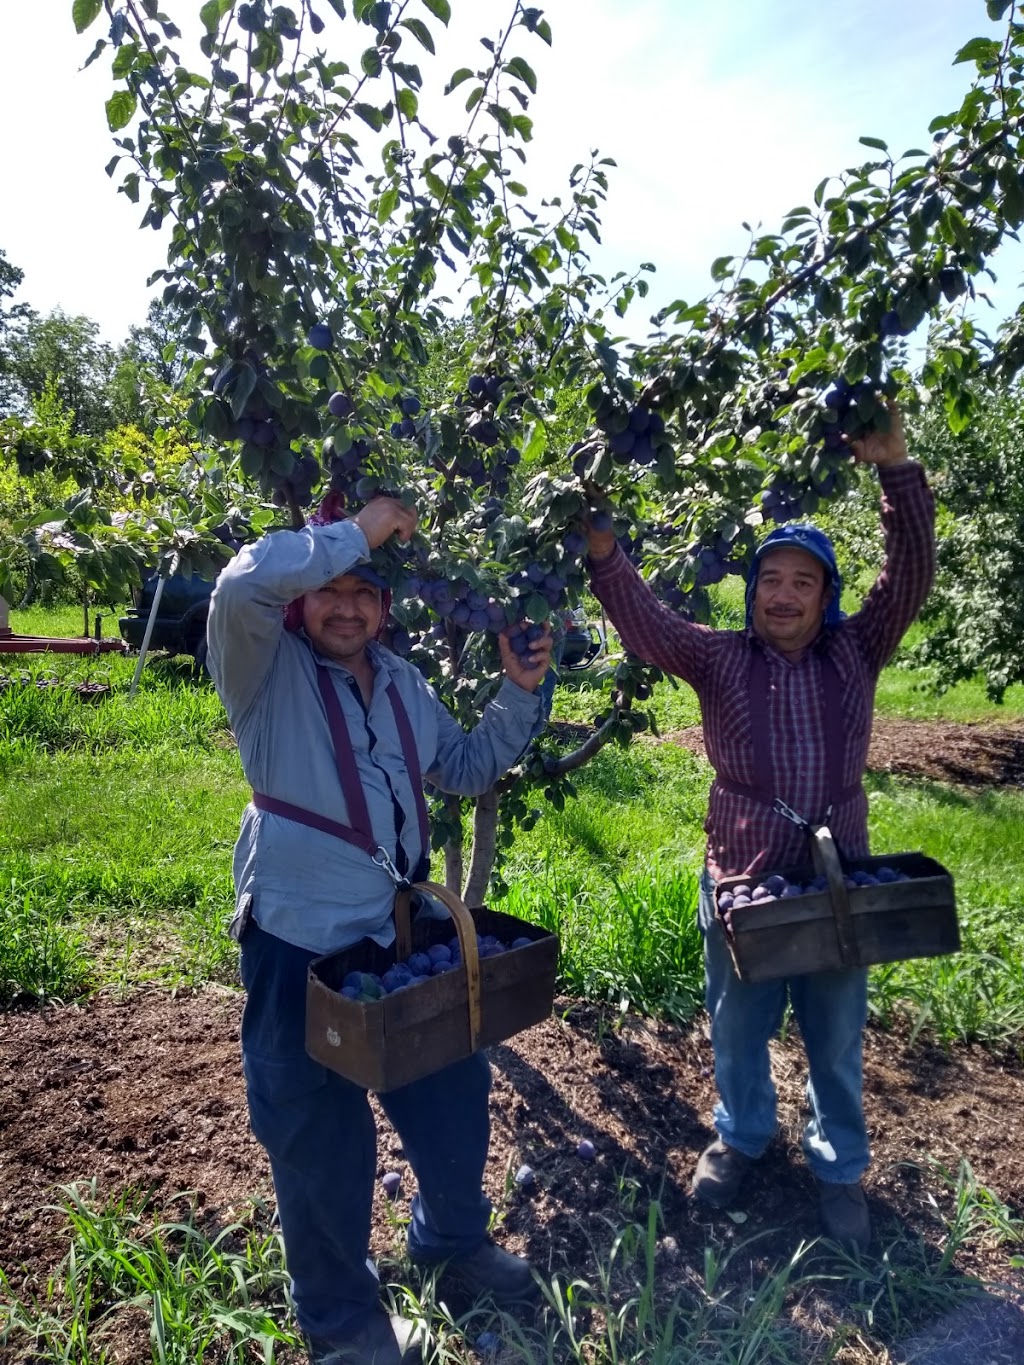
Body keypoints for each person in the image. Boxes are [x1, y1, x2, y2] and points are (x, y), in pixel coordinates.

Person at [207, 493, 553, 1365]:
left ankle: (450, 1241)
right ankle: (343, 1323)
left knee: (451, 1094)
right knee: (317, 1133)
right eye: (332, 587)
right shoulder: (262, 667)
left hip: (399, 935)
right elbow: (239, 583)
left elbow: (467, 767)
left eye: (366, 590)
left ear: (387, 609)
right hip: (301, 943)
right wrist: (356, 532)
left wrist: (519, 693)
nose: (348, 604)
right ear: (306, 596)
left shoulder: (403, 683)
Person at [585, 406, 935, 1250]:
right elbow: (645, 621)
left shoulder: (856, 649)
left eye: (802, 581)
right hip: (744, 876)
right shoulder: (720, 657)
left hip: (834, 880)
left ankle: (839, 1164)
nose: (783, 594)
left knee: (836, 1028)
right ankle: (741, 1135)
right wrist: (602, 551)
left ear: (826, 597)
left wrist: (897, 470)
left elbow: (910, 572)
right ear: (752, 593)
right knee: (738, 1022)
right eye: (769, 579)